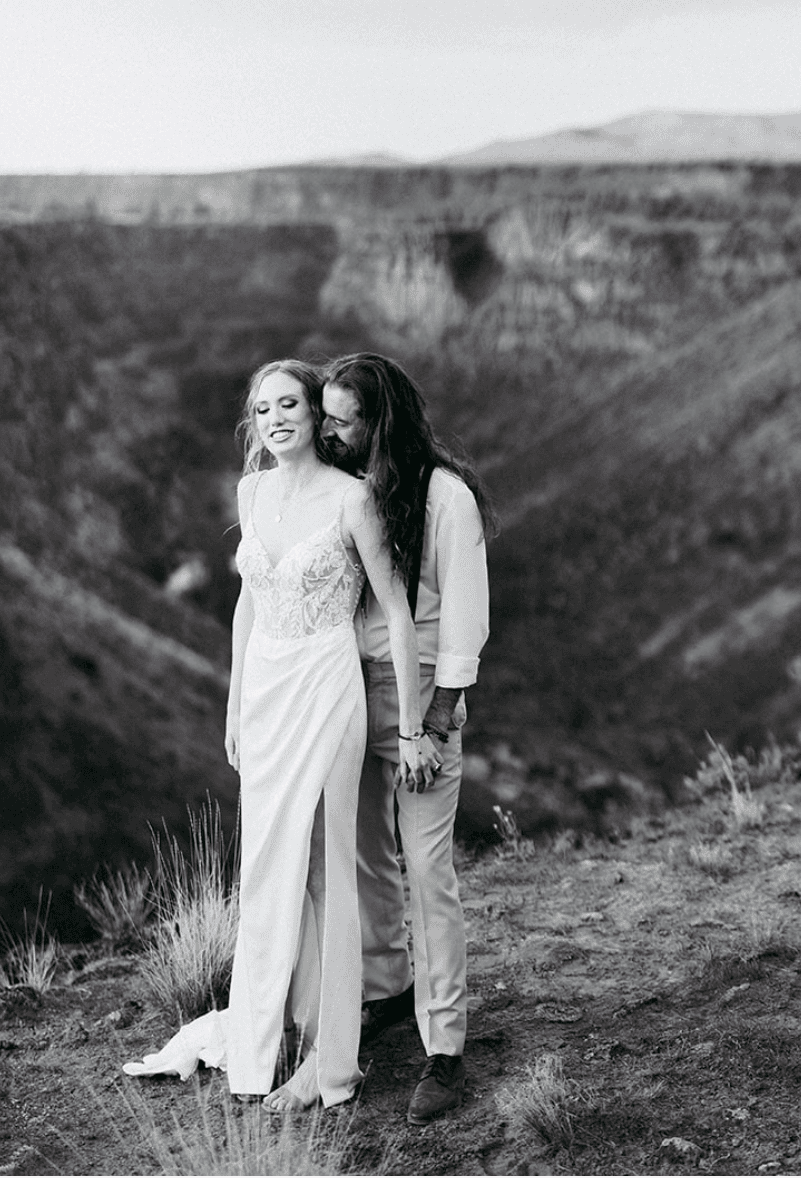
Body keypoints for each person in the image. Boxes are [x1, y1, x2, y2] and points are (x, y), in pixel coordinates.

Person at [124, 360, 423, 1112]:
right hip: (264, 693)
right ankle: (268, 1029)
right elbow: (248, 604)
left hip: (327, 689)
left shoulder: (353, 499)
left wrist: (416, 719)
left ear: (316, 414)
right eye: (262, 410)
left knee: (329, 867)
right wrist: (233, 702)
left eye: (288, 404)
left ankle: (330, 1060)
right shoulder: (250, 491)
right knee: (265, 866)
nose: (276, 419)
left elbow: (395, 609)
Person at [319, 352, 493, 1125]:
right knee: (364, 855)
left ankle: (446, 1045)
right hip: (347, 693)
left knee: (427, 868)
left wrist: (433, 721)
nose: (329, 431)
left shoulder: (446, 498)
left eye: (341, 420)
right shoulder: (349, 492)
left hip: (417, 696)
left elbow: (464, 620)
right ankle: (388, 992)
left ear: (379, 422)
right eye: (323, 415)